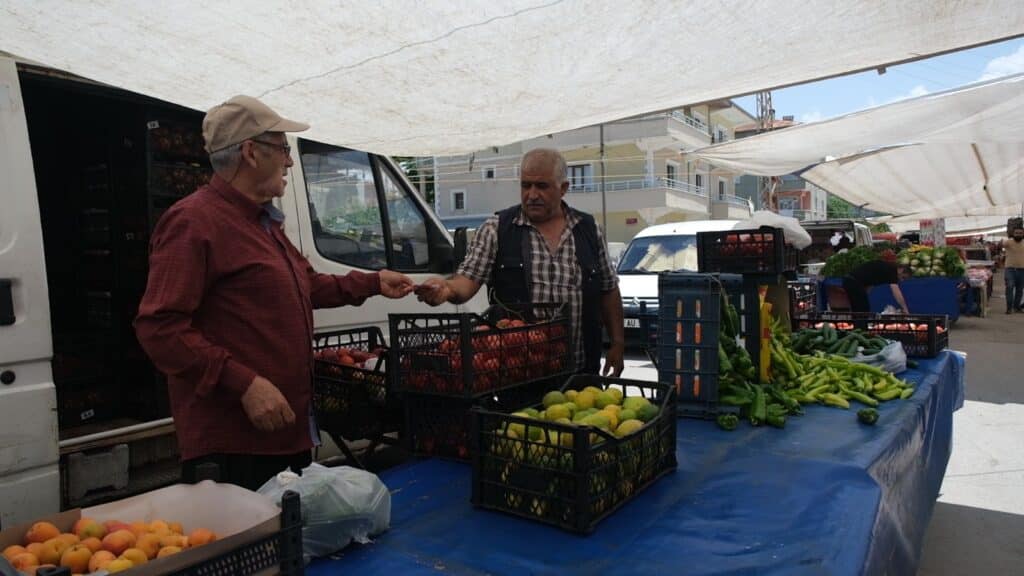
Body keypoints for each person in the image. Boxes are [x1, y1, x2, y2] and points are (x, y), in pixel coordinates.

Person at [134, 95, 415, 490]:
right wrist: (244, 383)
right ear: (251, 152)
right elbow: (158, 328)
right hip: (234, 448)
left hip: (283, 436)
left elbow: (308, 285)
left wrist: (371, 283)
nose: (289, 160)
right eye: (282, 149)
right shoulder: (193, 222)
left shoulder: (263, 222)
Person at [415, 148, 625, 376]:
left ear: (563, 188)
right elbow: (465, 282)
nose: (532, 194)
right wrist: (444, 289)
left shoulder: (588, 230)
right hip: (519, 374)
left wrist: (617, 343)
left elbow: (608, 289)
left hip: (581, 371)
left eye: (542, 186)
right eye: (526, 186)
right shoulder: (497, 229)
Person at [842, 259, 911, 313]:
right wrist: (905, 308)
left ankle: (857, 328)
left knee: (859, 309)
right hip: (853, 282)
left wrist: (864, 296)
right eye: (903, 277)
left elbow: (870, 284)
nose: (901, 280)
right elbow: (896, 292)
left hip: (849, 281)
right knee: (862, 311)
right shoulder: (892, 270)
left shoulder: (885, 269)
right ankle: (861, 329)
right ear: (900, 270)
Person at [1002, 226, 1024, 313]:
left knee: (1020, 289)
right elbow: (1002, 245)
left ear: (1023, 234)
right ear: (1013, 234)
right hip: (1010, 269)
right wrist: (1001, 243)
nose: (1018, 235)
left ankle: (1016, 307)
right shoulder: (1009, 242)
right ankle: (1009, 308)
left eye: (1020, 233)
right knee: (1009, 287)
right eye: (1016, 233)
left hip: (1022, 270)